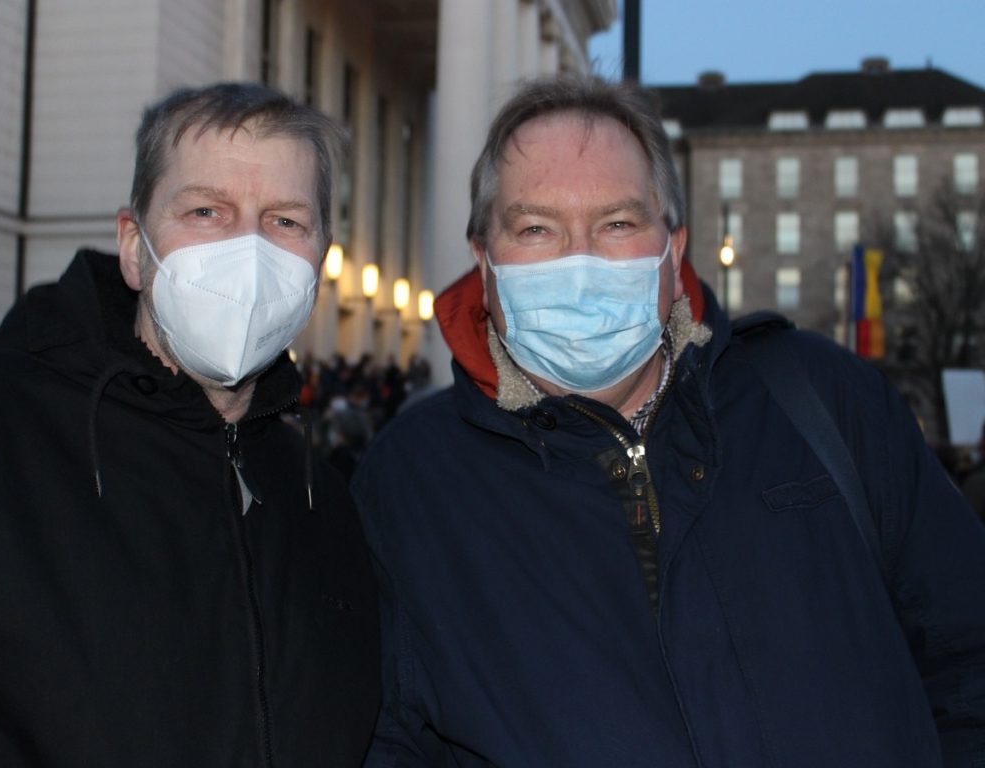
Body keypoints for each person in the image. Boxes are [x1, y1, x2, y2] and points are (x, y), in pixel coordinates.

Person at [352, 74, 985, 767]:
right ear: (484, 257)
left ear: (673, 247)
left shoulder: (824, 402)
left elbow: (968, 656)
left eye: (617, 223)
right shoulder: (411, 484)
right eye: (536, 228)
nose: (581, 260)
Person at [0, 82, 379, 766]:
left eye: (285, 222)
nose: (247, 251)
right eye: (206, 211)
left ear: (320, 262)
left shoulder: (323, 502)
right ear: (133, 246)